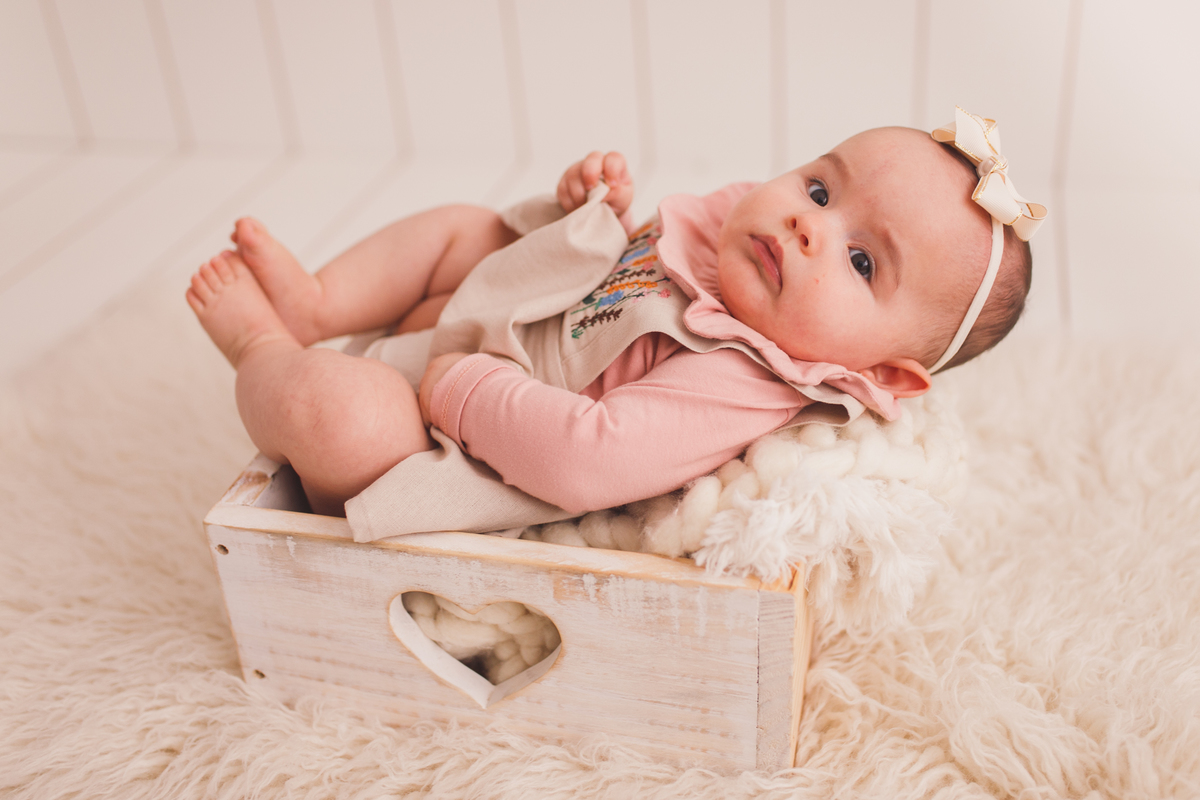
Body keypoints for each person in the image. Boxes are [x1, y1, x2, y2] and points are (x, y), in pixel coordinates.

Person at [186, 109, 1044, 521]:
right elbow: (613, 284)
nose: (808, 226)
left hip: (449, 435)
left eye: (861, 262)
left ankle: (260, 344)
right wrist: (586, 219)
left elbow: (585, 459)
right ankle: (320, 303)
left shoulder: (745, 381)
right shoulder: (725, 248)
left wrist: (455, 387)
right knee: (469, 228)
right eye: (820, 189)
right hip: (498, 318)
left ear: (880, 373)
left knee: (341, 414)